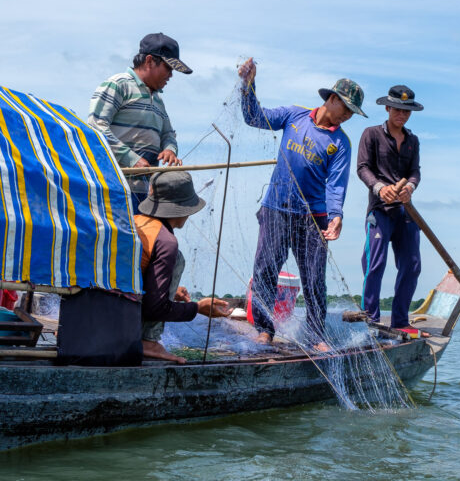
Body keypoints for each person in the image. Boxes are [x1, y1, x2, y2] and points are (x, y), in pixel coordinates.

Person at [238, 57, 366, 352]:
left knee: (314, 279)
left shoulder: (340, 143)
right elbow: (255, 117)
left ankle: (317, 335)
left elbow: (336, 184)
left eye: (351, 113)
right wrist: (248, 86)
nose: (347, 116)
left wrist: (336, 216)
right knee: (266, 269)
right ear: (332, 99)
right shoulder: (293, 116)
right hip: (276, 208)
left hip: (314, 216)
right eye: (345, 108)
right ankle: (264, 329)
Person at [88, 33, 192, 210]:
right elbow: (96, 128)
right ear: (150, 61)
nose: (171, 75)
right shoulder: (118, 85)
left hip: (146, 193)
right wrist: (132, 159)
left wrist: (169, 150)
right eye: (168, 68)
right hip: (114, 188)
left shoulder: (158, 100)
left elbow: (168, 134)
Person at [135, 171, 230, 364]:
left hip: (104, 311)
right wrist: (197, 308)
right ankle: (148, 340)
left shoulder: (136, 221)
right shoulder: (167, 242)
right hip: (122, 323)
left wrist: (167, 288)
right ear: (180, 209)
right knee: (178, 259)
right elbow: (156, 309)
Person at [357, 85, 428, 336]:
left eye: (407, 111)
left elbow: (415, 171)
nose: (402, 115)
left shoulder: (413, 140)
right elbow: (363, 168)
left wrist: (410, 185)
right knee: (375, 263)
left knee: (412, 264)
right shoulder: (371, 134)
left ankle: (400, 320)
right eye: (398, 110)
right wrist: (379, 187)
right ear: (387, 108)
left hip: (406, 211)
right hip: (379, 210)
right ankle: (370, 320)